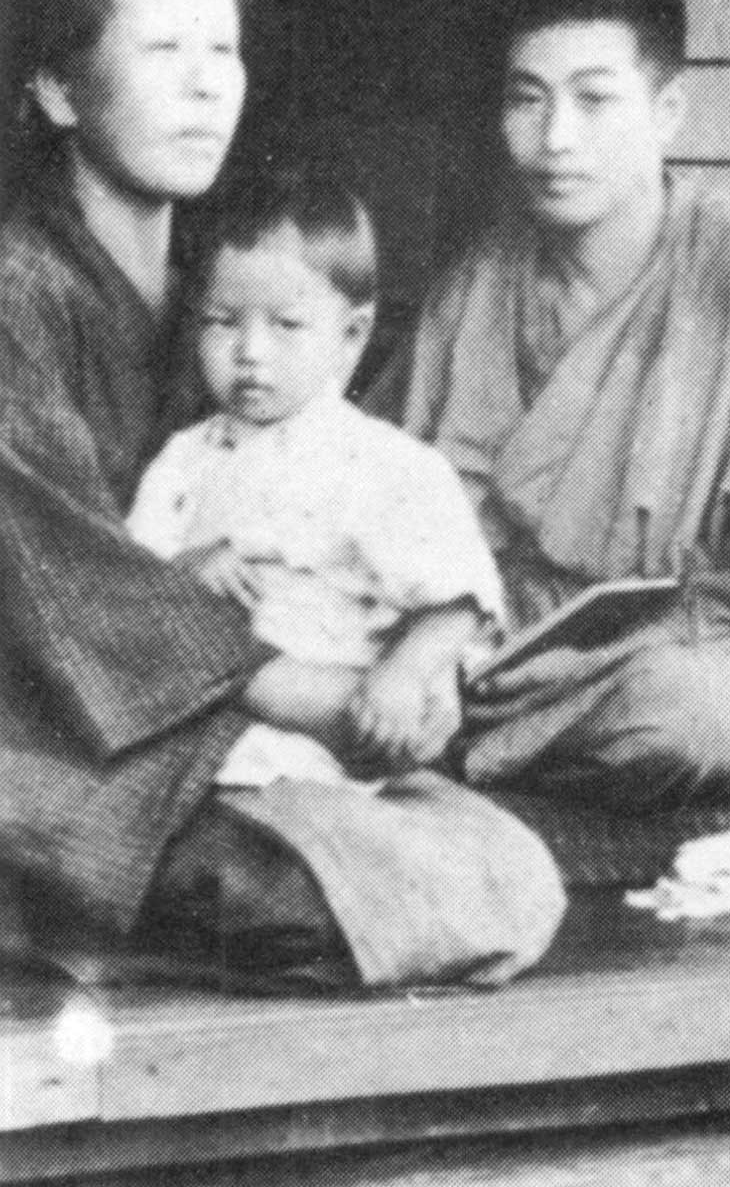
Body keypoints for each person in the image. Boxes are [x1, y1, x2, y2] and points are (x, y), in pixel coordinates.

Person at [0, 0, 562, 987]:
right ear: (61, 89)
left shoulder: (216, 303)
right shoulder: (18, 292)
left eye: (223, 49)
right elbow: (67, 596)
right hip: (53, 732)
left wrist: (409, 673)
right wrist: (328, 697)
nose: (205, 84)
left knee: (502, 869)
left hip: (208, 726)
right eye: (164, 49)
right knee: (362, 889)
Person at [379, 0, 730, 823]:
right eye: (527, 99)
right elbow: (381, 488)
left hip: (645, 675)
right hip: (473, 660)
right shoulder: (480, 280)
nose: (555, 138)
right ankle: (461, 742)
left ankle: (466, 758)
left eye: (593, 100)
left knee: (709, 714)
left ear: (667, 111)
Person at [127, 165, 503, 785]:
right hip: (203, 717)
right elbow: (127, 590)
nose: (250, 352)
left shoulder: (383, 464)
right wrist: (186, 570)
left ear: (351, 335)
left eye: (286, 325)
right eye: (222, 321)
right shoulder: (184, 458)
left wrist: (404, 672)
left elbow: (461, 602)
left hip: (337, 720)